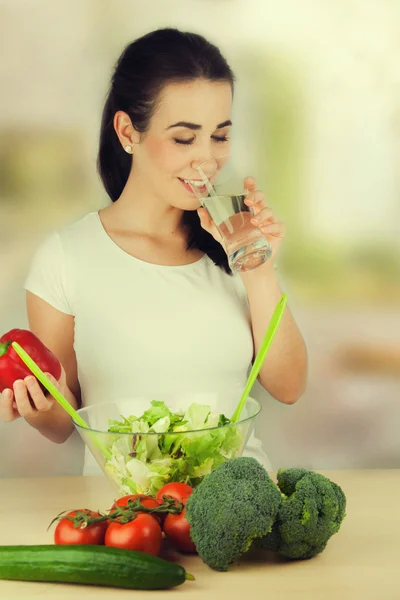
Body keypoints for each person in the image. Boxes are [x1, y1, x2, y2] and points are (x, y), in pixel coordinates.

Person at [0, 28, 308, 474]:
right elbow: (63, 422)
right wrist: (38, 405)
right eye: (185, 139)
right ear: (128, 131)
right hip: (125, 517)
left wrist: (258, 270)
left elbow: (289, 386)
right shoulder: (66, 258)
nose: (206, 159)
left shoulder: (233, 245)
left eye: (219, 136)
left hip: (237, 513)